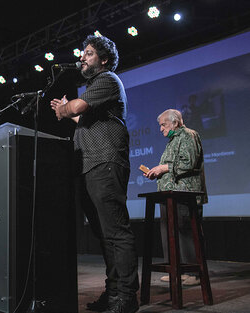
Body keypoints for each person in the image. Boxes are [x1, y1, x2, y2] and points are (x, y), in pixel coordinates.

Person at [50, 35, 139, 313]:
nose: (82, 58)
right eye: (83, 53)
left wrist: (65, 109)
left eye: (88, 53)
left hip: (105, 161)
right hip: (90, 164)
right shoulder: (95, 88)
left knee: (116, 233)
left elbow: (76, 108)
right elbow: (82, 116)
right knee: (104, 235)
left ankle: (127, 297)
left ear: (103, 59)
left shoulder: (108, 79)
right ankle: (113, 294)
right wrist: (66, 110)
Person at [144, 109, 207, 286]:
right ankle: (176, 270)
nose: (161, 129)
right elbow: (172, 166)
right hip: (170, 196)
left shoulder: (188, 135)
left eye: (163, 124)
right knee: (170, 232)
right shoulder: (172, 141)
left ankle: (193, 273)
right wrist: (157, 172)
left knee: (186, 231)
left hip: (184, 194)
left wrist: (163, 168)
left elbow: (189, 162)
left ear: (175, 123)